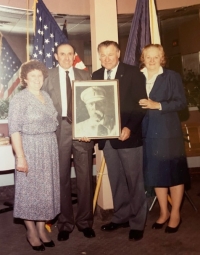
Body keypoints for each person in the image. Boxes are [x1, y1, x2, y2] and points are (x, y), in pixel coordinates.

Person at [92, 40, 148, 241]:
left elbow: (140, 105)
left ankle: (137, 222)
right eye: (103, 55)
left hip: (128, 136)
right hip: (107, 139)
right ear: (99, 56)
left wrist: (129, 127)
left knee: (134, 181)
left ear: (118, 54)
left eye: (110, 54)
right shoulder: (96, 76)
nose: (107, 59)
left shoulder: (133, 73)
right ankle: (121, 216)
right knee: (116, 180)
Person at [42, 43, 95, 241]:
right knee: (61, 177)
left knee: (84, 177)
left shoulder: (85, 76)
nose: (66, 57)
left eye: (69, 54)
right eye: (62, 54)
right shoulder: (47, 76)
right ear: (56, 56)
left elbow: (94, 106)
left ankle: (85, 222)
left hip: (82, 128)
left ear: (74, 56)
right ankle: (65, 223)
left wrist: (90, 129)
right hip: (58, 129)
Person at [8, 60, 60, 251]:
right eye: (33, 76)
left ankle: (41, 228)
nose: (37, 79)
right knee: (30, 192)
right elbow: (14, 130)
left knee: (46, 192)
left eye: (40, 75)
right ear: (24, 79)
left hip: (48, 147)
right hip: (30, 148)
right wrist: (20, 157)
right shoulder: (20, 99)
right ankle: (31, 231)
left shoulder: (45, 95)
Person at [139, 44, 189, 233]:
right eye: (148, 57)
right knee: (156, 173)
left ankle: (175, 213)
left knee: (174, 173)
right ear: (143, 58)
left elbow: (181, 102)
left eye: (156, 57)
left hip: (168, 133)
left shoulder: (171, 76)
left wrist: (157, 105)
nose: (152, 60)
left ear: (162, 58)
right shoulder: (138, 76)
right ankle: (163, 212)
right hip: (147, 132)